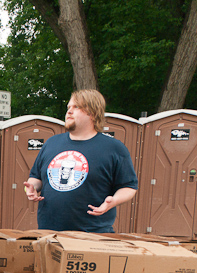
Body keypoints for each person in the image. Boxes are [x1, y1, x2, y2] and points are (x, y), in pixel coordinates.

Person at [23, 89, 138, 233]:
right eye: (68, 107)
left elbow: (129, 186)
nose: (69, 111)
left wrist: (113, 201)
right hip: (49, 233)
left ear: (93, 112)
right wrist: (31, 187)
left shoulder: (114, 148)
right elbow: (36, 177)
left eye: (76, 107)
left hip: (91, 236)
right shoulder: (52, 143)